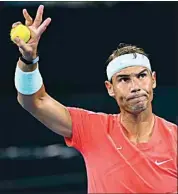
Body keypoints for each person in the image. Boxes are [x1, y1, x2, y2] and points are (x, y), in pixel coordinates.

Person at [13, 5, 177, 193]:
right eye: (124, 79)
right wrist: (28, 60)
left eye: (142, 76)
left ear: (153, 80)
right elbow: (34, 101)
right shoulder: (92, 128)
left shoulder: (175, 139)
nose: (135, 87)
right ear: (110, 88)